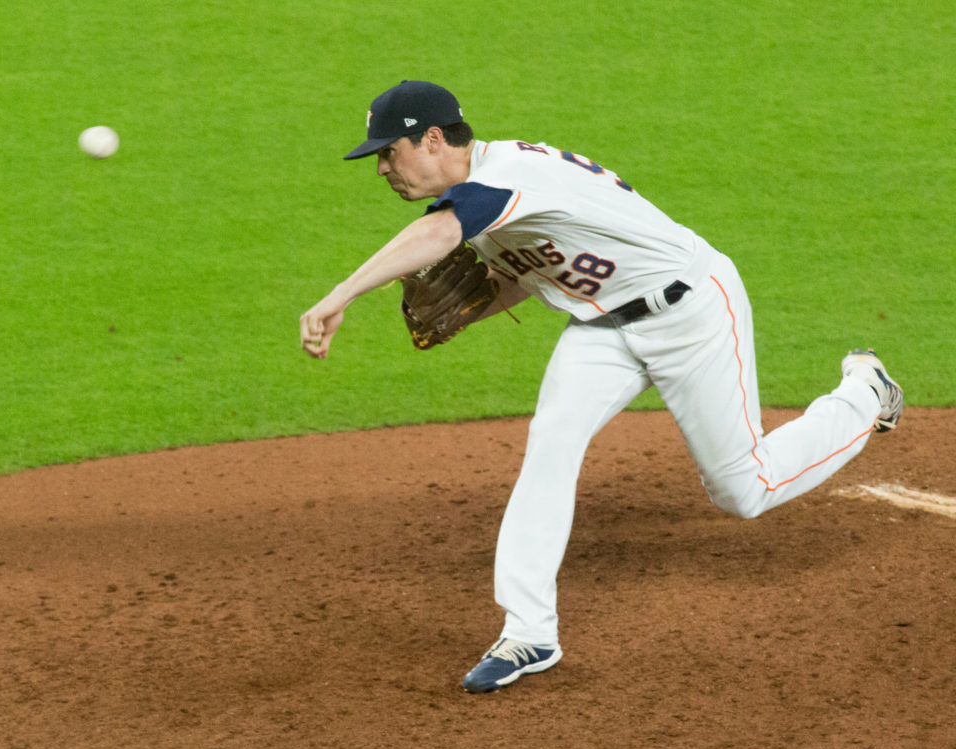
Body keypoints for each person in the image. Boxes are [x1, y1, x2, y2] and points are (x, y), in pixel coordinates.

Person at [299, 80, 904, 694]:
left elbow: (439, 236)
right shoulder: (479, 199)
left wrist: (340, 295)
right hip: (603, 327)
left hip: (691, 312)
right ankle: (528, 630)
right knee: (551, 442)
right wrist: (467, 314)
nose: (380, 167)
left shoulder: (509, 174)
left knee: (744, 489)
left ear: (432, 140)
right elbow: (522, 275)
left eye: (388, 151)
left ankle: (863, 393)